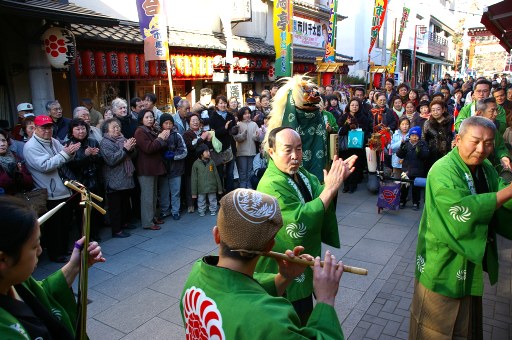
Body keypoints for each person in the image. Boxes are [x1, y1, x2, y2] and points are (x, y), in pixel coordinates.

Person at [180, 188, 345, 339]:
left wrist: (284, 277)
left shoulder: (197, 274)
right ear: (269, 246)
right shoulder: (269, 318)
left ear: (216, 235)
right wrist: (325, 299)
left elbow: (239, 290)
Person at [409, 116, 512, 339]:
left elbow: (502, 194)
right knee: (433, 328)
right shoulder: (443, 169)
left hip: (468, 262)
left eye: (488, 143)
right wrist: (507, 193)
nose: (481, 148)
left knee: (467, 326)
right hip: (443, 261)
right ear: (458, 139)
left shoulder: (485, 168)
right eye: (475, 141)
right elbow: (461, 209)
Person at [256, 127, 356, 324]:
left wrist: (334, 180)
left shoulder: (300, 173)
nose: (295, 156)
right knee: (293, 317)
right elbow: (299, 220)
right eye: (288, 150)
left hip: (302, 260)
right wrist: (331, 188)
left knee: (304, 311)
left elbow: (319, 191)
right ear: (271, 152)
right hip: (285, 264)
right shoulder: (270, 184)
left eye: (299, 149)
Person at [0, 196, 105, 339]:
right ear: (3, 259)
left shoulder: (16, 281)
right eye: (34, 246)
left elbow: (43, 294)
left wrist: (74, 265)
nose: (40, 251)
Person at [24, 115, 80, 262]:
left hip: (64, 189)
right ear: (35, 128)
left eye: (49, 127)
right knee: (54, 226)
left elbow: (65, 156)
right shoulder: (30, 147)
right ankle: (56, 254)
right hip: (50, 192)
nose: (47, 130)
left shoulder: (53, 141)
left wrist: (71, 152)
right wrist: (65, 153)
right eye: (43, 127)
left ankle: (63, 248)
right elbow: (45, 166)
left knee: (65, 223)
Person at [64, 119, 103, 240]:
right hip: (80, 182)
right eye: (77, 129)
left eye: (83, 128)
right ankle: (85, 237)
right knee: (82, 212)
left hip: (95, 179)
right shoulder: (69, 145)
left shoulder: (93, 141)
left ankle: (95, 234)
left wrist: (95, 156)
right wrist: (85, 155)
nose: (81, 131)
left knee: (95, 210)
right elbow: (71, 165)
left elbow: (101, 161)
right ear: (71, 131)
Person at [100, 118, 137, 238]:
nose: (117, 130)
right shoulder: (105, 143)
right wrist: (126, 148)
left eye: (118, 127)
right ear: (107, 130)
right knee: (115, 207)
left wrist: (131, 149)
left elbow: (132, 155)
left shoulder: (122, 138)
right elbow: (111, 160)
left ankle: (124, 223)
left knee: (124, 203)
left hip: (125, 177)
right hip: (114, 179)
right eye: (113, 128)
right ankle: (116, 230)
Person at [134, 109, 169, 231]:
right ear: (141, 119)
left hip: (153, 167)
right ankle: (147, 222)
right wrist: (160, 139)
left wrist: (162, 139)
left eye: (151, 117)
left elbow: (160, 146)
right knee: (147, 196)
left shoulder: (151, 130)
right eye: (147, 117)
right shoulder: (140, 131)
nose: (150, 119)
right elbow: (149, 148)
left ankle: (153, 217)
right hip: (145, 168)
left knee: (154, 195)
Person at [158, 114, 187, 220]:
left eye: (170, 123)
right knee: (164, 192)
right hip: (163, 169)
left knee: (175, 191)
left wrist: (174, 156)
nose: (168, 125)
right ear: (162, 125)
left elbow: (184, 151)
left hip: (176, 169)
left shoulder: (177, 135)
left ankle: (175, 210)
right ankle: (165, 211)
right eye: (166, 123)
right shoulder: (158, 135)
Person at [337, 98, 369, 193]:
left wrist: (357, 127)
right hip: (346, 146)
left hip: (357, 146)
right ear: (349, 106)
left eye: (356, 105)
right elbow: (340, 131)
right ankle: (346, 185)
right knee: (345, 165)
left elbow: (366, 130)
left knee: (355, 166)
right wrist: (348, 125)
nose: (354, 107)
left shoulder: (363, 117)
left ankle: (353, 185)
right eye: (352, 105)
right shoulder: (344, 117)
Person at [183, 114, 212, 213]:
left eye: (197, 120)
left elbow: (207, 148)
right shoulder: (187, 134)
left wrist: (208, 140)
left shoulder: (203, 132)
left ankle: (205, 203)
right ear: (189, 123)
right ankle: (190, 204)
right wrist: (201, 139)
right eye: (193, 120)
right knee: (190, 184)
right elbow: (190, 147)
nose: (195, 122)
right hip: (191, 163)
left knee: (203, 182)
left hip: (204, 163)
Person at [208, 95, 237, 194]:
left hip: (230, 147)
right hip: (218, 148)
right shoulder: (213, 117)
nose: (223, 105)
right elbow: (214, 133)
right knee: (219, 173)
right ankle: (220, 195)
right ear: (216, 105)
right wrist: (225, 128)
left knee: (230, 173)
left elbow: (234, 131)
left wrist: (235, 129)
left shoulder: (230, 115)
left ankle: (230, 194)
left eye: (224, 103)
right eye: (220, 103)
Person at [396, 126, 429, 210]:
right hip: (406, 170)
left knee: (416, 188)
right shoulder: (406, 143)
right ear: (409, 136)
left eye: (416, 135)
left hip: (418, 170)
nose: (414, 137)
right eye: (412, 135)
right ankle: (402, 201)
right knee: (404, 187)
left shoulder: (422, 144)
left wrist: (419, 151)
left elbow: (426, 155)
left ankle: (416, 203)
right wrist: (401, 148)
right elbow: (399, 155)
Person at [191, 144, 222, 217]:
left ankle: (213, 210)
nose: (209, 153)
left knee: (213, 199)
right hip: (201, 187)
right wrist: (194, 193)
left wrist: (219, 188)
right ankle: (201, 210)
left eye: (209, 151)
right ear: (201, 154)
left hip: (212, 186)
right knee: (201, 200)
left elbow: (216, 175)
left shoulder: (211, 162)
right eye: (206, 151)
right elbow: (194, 179)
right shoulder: (196, 164)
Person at [422, 99, 454, 171]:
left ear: (443, 110)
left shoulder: (451, 121)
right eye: (433, 110)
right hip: (433, 155)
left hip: (448, 153)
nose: (435, 112)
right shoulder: (428, 124)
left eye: (438, 109)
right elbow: (424, 139)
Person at [0, 128, 33, 195]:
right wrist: (9, 174)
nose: (2, 144)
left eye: (3, 140)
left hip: (18, 200)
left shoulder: (15, 157)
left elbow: (29, 183)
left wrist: (19, 173)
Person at [233, 107, 259, 189]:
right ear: (241, 115)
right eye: (245, 113)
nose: (247, 115)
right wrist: (242, 135)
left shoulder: (254, 124)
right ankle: (243, 187)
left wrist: (257, 136)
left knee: (250, 172)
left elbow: (258, 137)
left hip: (252, 152)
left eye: (248, 113)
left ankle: (249, 187)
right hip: (241, 153)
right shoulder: (238, 125)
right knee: (242, 172)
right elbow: (236, 138)